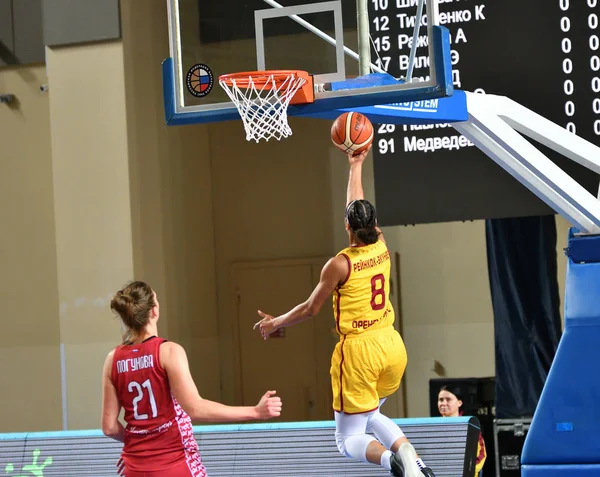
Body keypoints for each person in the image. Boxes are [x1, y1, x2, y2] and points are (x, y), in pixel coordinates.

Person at [254, 144, 435, 477]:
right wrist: (356, 165)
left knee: (348, 437)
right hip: (392, 346)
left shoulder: (339, 264)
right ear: (372, 224)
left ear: (347, 226)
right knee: (370, 414)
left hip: (360, 352)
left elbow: (310, 309)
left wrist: (275, 321)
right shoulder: (380, 244)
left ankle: (393, 462)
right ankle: (408, 453)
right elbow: (359, 207)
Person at [101, 281, 283, 477]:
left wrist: (136, 444)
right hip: (176, 463)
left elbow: (110, 427)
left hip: (134, 468)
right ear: (154, 311)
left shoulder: (113, 359)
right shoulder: (168, 351)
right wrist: (255, 412)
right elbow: (195, 408)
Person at [438, 386, 487, 476]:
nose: (443, 403)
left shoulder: (470, 426)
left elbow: (481, 455)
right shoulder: (434, 427)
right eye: (441, 400)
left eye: (448, 399)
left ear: (459, 403)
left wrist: (464, 471)